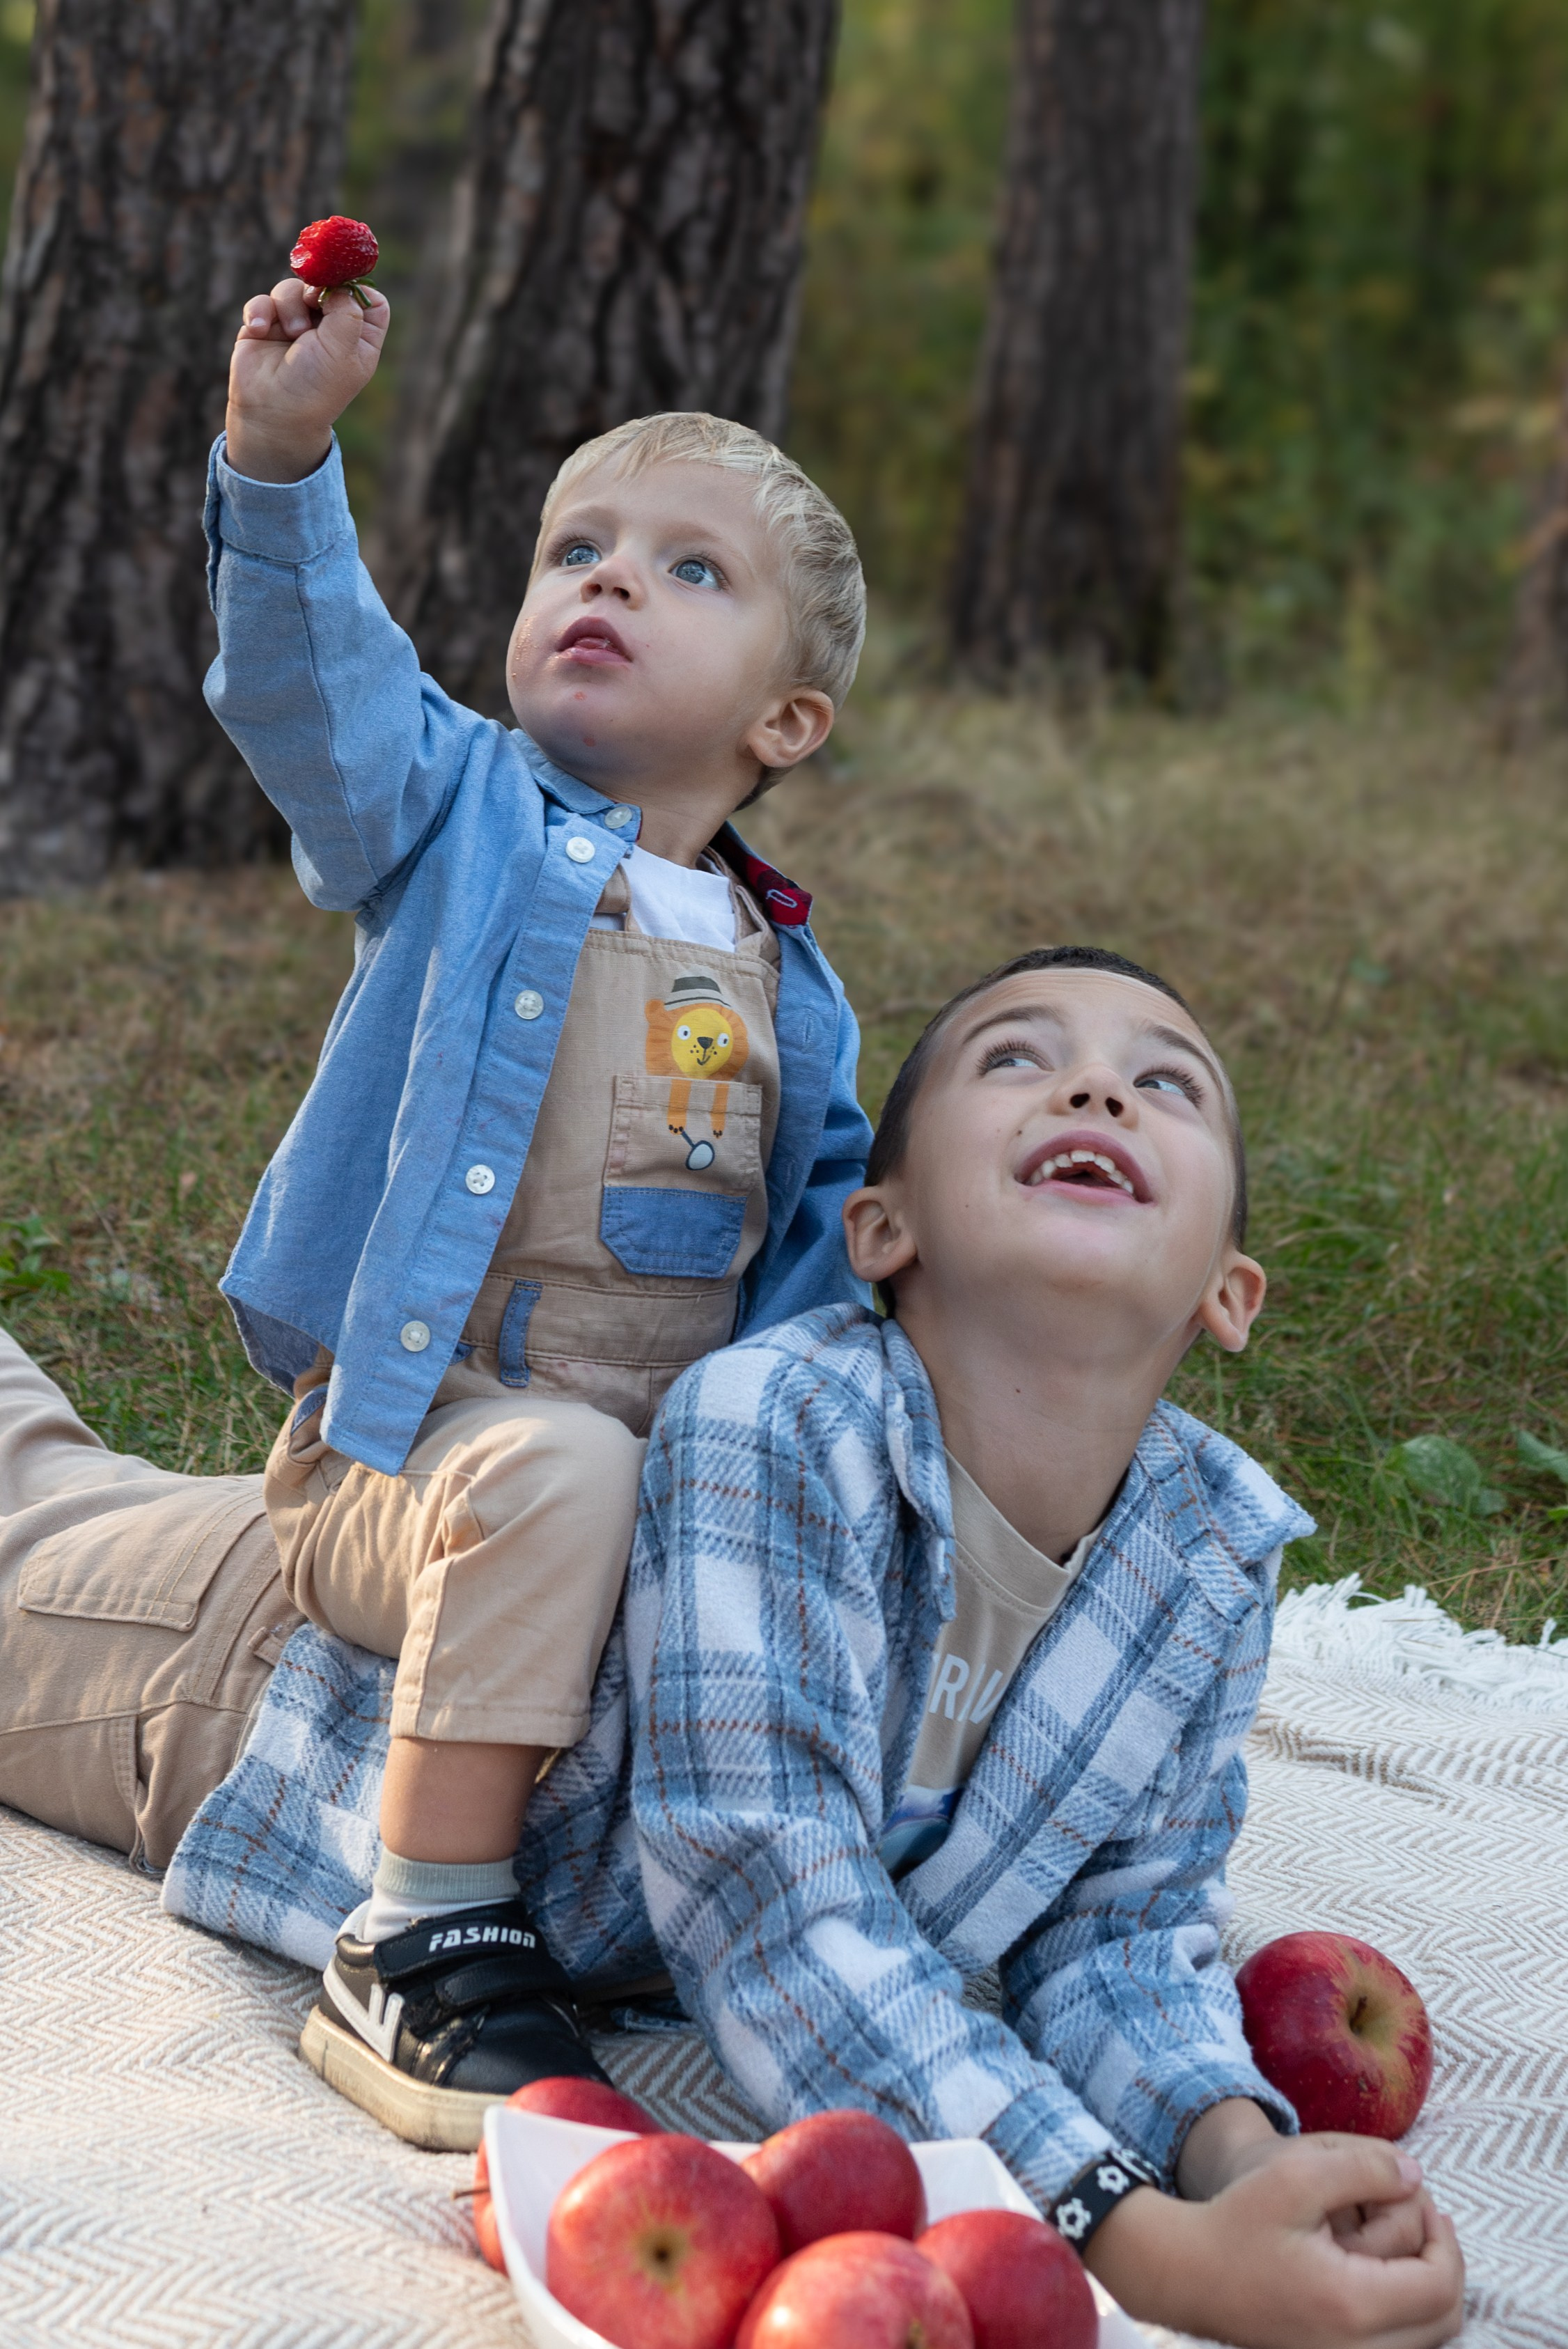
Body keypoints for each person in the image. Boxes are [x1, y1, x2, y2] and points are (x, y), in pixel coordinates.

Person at [0, 947, 1464, 2347]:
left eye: (1169, 1084)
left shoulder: (1205, 1560)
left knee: (44, 1466)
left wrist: (1226, 2155)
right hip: (253, 1696)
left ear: (1229, 1292)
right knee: (31, 1520)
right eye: (1018, 1059)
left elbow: (1120, 1931)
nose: (1095, 1094)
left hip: (362, 1673)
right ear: (880, 1230)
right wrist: (1130, 2237)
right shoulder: (778, 1421)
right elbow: (769, 1892)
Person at [194, 269, 875, 2133]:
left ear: (788, 722)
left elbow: (814, 1281)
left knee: (736, 1562)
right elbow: (309, 684)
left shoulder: (788, 989)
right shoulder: (456, 811)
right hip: (406, 1458)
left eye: (685, 569)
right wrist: (280, 457)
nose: (603, 580)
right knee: (557, 1466)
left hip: (628, 1507)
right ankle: (416, 1932)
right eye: (573, 547)